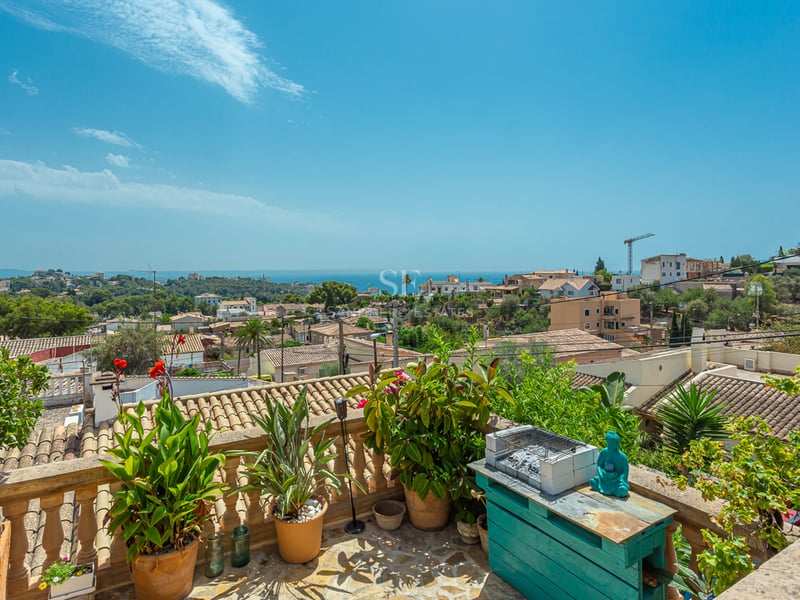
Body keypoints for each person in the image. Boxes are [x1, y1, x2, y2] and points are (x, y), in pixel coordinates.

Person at [589, 430, 630, 498]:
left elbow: (625, 472)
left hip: (617, 480)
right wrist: (603, 474)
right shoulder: (604, 452)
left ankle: (617, 490)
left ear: (617, 444)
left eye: (613, 444)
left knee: (622, 490)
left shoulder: (622, 457)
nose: (611, 446)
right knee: (592, 481)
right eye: (609, 444)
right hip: (604, 479)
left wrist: (618, 478)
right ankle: (603, 487)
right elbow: (599, 465)